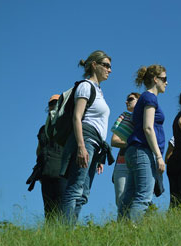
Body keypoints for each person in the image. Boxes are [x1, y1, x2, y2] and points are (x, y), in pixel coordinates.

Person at [60, 50, 112, 224]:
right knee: (75, 188)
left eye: (110, 67)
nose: (109, 70)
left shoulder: (99, 90)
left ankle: (70, 230)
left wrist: (100, 157)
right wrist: (81, 146)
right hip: (86, 140)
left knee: (83, 194)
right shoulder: (85, 86)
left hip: (95, 145)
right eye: (106, 65)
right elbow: (77, 117)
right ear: (94, 65)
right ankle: (65, 233)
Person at [120, 64, 167, 221]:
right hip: (142, 151)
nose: (166, 83)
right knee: (143, 197)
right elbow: (148, 127)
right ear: (155, 79)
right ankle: (132, 234)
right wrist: (159, 157)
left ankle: (120, 231)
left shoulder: (145, 98)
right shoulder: (150, 97)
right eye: (164, 79)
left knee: (129, 195)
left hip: (135, 151)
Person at [35, 94, 67, 221]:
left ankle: (64, 236)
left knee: (62, 210)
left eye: (56, 103)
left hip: (62, 173)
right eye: (51, 103)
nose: (53, 105)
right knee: (48, 211)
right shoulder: (43, 129)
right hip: (46, 174)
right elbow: (39, 150)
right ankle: (50, 236)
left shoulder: (66, 125)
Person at [110, 92, 140, 211]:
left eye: (130, 99)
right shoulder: (125, 117)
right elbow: (114, 141)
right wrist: (134, 142)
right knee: (121, 199)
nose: (126, 101)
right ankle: (122, 226)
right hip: (123, 163)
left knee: (139, 198)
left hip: (139, 161)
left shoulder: (147, 118)